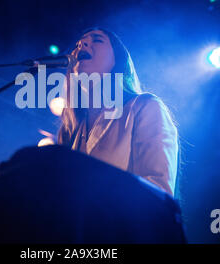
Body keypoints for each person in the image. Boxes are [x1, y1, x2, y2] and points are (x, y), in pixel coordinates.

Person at [57, 28, 179, 196]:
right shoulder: (69, 132)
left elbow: (157, 191)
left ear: (117, 60)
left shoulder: (145, 107)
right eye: (78, 44)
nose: (81, 44)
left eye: (97, 40)